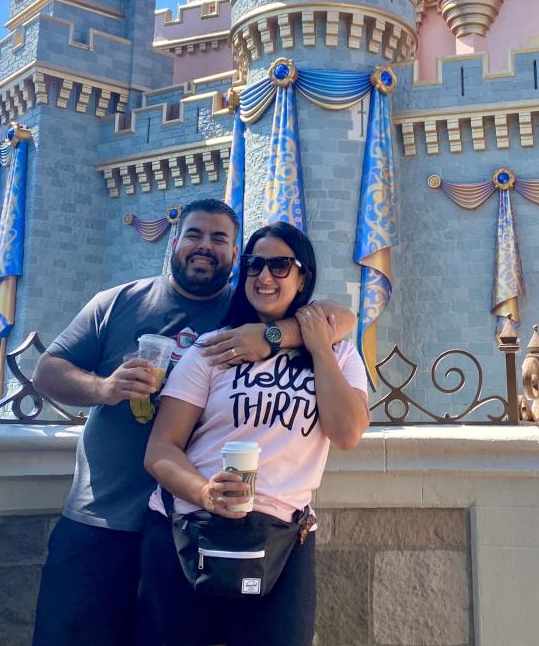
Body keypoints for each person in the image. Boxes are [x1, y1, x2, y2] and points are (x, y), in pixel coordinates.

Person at [30, 200, 355, 646]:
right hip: (102, 514)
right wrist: (104, 389)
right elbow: (47, 371)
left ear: (233, 254)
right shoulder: (121, 302)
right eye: (194, 235)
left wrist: (272, 336)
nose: (205, 247)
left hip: (195, 528)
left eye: (219, 239)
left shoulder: (244, 317)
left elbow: (340, 318)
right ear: (174, 241)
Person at [139, 222, 370, 646]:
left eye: (281, 265)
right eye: (254, 265)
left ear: (303, 277)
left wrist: (314, 345)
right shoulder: (214, 348)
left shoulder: (338, 350)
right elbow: (160, 449)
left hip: (282, 538)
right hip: (190, 530)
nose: (265, 277)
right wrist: (206, 492)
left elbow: (348, 432)